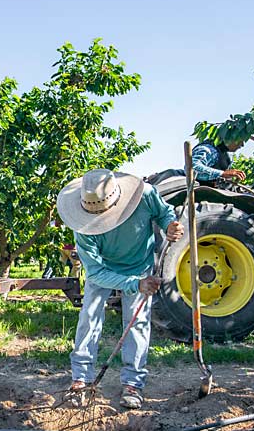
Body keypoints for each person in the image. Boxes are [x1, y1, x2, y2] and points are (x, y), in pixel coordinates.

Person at [55, 168, 184, 409]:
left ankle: (133, 384)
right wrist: (135, 285)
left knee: (137, 324)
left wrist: (170, 226)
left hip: (139, 265)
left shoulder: (145, 195)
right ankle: (81, 380)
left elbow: (164, 212)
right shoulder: (81, 227)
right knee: (89, 318)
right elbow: (95, 272)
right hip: (103, 270)